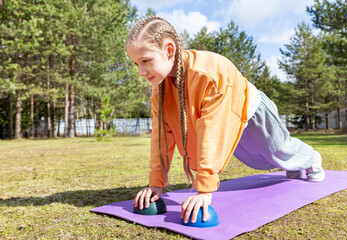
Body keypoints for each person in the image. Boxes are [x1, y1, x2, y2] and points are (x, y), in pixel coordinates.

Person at [126, 16, 325, 225]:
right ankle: (290, 164)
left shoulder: (209, 74)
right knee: (258, 160)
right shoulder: (160, 90)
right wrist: (156, 183)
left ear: (168, 50)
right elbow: (161, 138)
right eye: (136, 63)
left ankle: (311, 159)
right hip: (225, 118)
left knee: (279, 149)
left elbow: (212, 132)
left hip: (251, 108)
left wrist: (204, 190)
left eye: (146, 61)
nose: (141, 71)